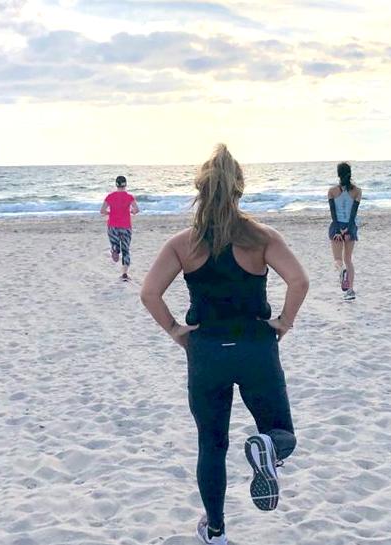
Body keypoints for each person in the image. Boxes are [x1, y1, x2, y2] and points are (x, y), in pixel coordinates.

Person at [140, 144, 308, 544]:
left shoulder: (183, 243)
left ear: (200, 190)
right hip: (256, 348)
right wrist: (284, 322)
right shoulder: (263, 237)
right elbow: (300, 282)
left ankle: (215, 531)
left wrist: (177, 331)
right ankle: (267, 445)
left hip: (207, 353)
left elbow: (149, 293)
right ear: (240, 189)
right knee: (281, 430)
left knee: (211, 444)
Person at [328, 162, 362, 300]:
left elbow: (333, 213)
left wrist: (338, 230)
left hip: (337, 226)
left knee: (337, 259)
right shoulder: (357, 191)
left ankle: (342, 272)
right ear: (350, 173)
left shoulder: (332, 191)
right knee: (348, 259)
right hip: (350, 227)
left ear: (338, 174)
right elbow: (353, 213)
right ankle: (350, 291)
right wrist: (347, 229)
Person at [101, 175, 139, 281]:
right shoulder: (129, 197)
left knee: (115, 244)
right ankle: (124, 274)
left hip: (112, 226)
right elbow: (136, 209)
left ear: (116, 184)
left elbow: (102, 211)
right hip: (125, 226)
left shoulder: (110, 196)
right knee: (126, 250)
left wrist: (110, 212)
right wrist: (131, 212)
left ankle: (114, 249)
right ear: (125, 184)